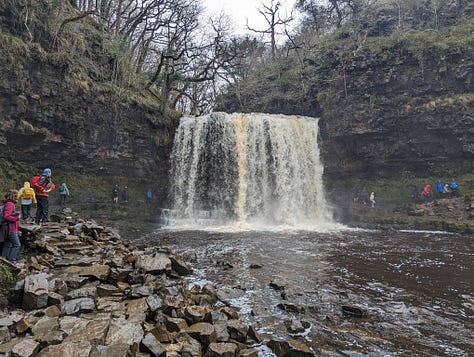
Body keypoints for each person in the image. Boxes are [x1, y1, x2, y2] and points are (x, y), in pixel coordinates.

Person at [1, 190, 21, 263]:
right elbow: (6, 216)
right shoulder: (10, 204)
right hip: (10, 228)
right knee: (17, 245)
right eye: (16, 195)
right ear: (13, 196)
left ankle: (3, 259)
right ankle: (12, 260)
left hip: (9, 228)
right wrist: (17, 218)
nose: (17, 197)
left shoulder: (8, 203)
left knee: (8, 244)